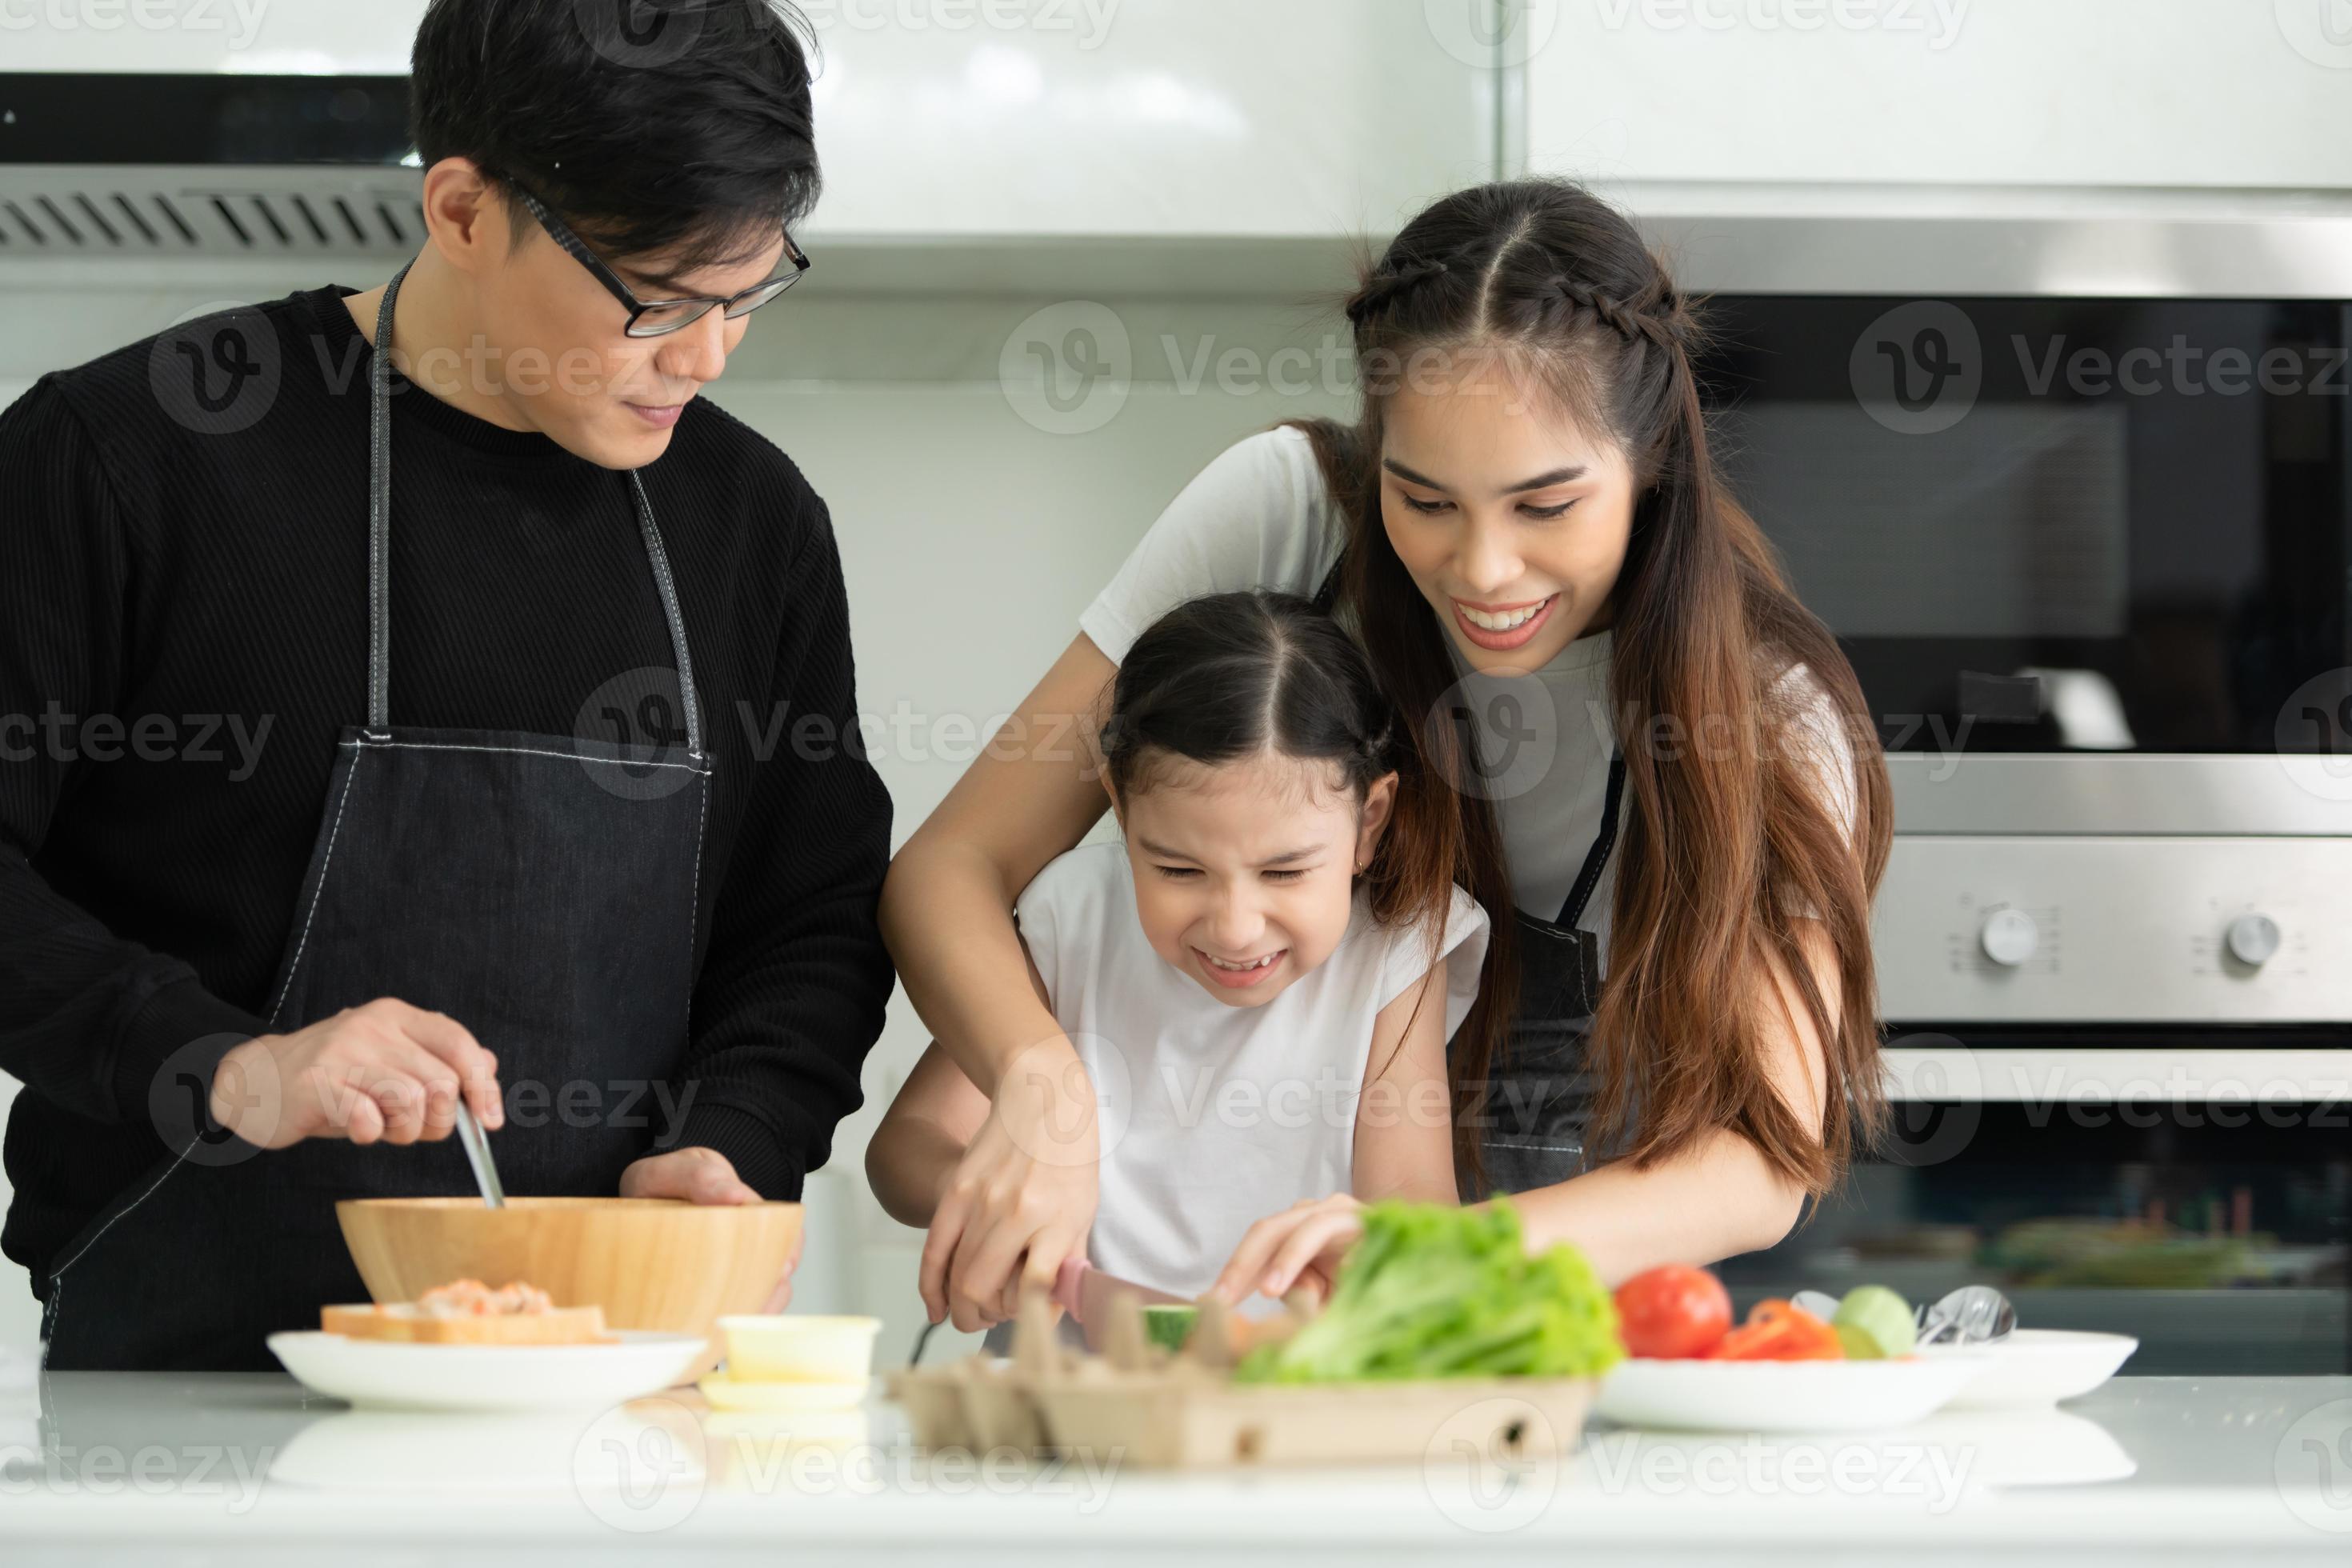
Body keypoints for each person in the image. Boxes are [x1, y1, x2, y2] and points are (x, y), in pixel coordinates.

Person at [0, 0, 894, 1370]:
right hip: (181, 1410)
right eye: (655, 300)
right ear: (466, 212)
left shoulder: (750, 523)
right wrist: (230, 1064)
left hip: (621, 1395)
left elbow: (813, 909)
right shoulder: (130, 459)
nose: (706, 358)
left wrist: (737, 1135)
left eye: (749, 295)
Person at [879, 178, 1891, 1331]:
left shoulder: (1766, 716)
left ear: (1650, 463)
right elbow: (950, 868)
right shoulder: (1290, 514)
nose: (1483, 571)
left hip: (1592, 1307)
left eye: (1545, 507)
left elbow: (1765, 1154)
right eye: (1425, 500)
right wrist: (1038, 1085)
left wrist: (1440, 1252)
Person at [866, 592, 1486, 1330]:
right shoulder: (1074, 916)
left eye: (1285, 873)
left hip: (1282, 1391)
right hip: (1066, 1396)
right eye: (1179, 871)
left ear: (1369, 822)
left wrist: (1386, 1251)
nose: (1235, 927)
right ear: (1122, 814)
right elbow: (905, 1149)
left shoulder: (1397, 945)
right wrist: (996, 1205)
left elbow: (1413, 1196)